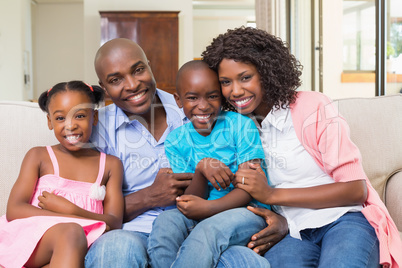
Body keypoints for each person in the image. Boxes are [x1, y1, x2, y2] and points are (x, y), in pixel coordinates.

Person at [202, 26, 402, 268]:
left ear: (267, 71)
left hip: (343, 219)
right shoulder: (235, 129)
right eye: (225, 82)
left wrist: (272, 194)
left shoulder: (311, 107)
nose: (235, 91)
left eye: (245, 77)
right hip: (292, 232)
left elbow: (355, 189)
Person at [86, 38, 288, 268]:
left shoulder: (199, 105)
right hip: (135, 231)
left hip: (214, 222)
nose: (132, 84)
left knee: (243, 262)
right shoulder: (96, 128)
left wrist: (284, 218)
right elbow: (87, 208)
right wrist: (149, 197)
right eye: (116, 79)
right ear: (104, 87)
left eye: (138, 70)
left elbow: (254, 182)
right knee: (115, 250)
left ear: (149, 66)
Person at [147, 60, 271, 268]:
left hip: (248, 211)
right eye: (193, 98)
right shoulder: (176, 140)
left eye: (212, 96)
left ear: (221, 97)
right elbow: (192, 199)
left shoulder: (240, 125)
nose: (203, 105)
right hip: (202, 208)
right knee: (164, 223)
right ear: (178, 100)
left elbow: (251, 189)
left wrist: (209, 209)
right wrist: (201, 169)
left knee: (209, 231)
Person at [0, 80, 124, 268]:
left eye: (80, 116)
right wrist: (70, 219)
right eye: (60, 118)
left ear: (95, 117)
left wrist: (69, 209)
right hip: (31, 241)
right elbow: (14, 209)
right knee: (72, 232)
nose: (70, 125)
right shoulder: (39, 156)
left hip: (74, 251)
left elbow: (114, 222)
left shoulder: (110, 165)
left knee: (72, 237)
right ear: (49, 121)